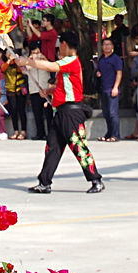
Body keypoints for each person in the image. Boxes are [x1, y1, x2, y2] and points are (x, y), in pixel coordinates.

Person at [22, 31, 103, 194]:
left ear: (65, 44)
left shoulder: (70, 60)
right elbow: (66, 86)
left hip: (71, 113)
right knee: (52, 147)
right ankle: (44, 182)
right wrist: (50, 90)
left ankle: (96, 179)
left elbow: (50, 66)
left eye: (60, 46)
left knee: (78, 145)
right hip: (61, 112)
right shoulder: (67, 63)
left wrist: (27, 61)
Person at [96, 38, 123, 141]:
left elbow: (119, 73)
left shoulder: (116, 59)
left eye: (109, 44)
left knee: (113, 113)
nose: (106, 46)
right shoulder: (102, 59)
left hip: (112, 88)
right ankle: (109, 133)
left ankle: (115, 134)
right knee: (106, 113)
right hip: (104, 88)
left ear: (112, 46)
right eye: (105, 44)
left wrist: (116, 87)